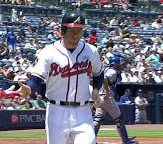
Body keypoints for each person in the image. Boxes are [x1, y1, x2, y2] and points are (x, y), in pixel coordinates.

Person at [22, 11, 103, 144]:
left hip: (83, 111)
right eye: (71, 30)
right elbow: (36, 79)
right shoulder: (48, 52)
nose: (75, 34)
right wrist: (29, 89)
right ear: (62, 30)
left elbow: (99, 74)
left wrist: (95, 90)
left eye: (79, 30)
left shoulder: (91, 51)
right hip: (56, 111)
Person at [93, 57, 137, 144]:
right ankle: (126, 140)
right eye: (118, 63)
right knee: (119, 119)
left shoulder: (105, 69)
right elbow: (105, 79)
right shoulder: (112, 71)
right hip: (107, 97)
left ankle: (91, 140)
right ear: (114, 63)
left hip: (99, 97)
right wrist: (106, 90)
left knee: (97, 120)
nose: (120, 65)